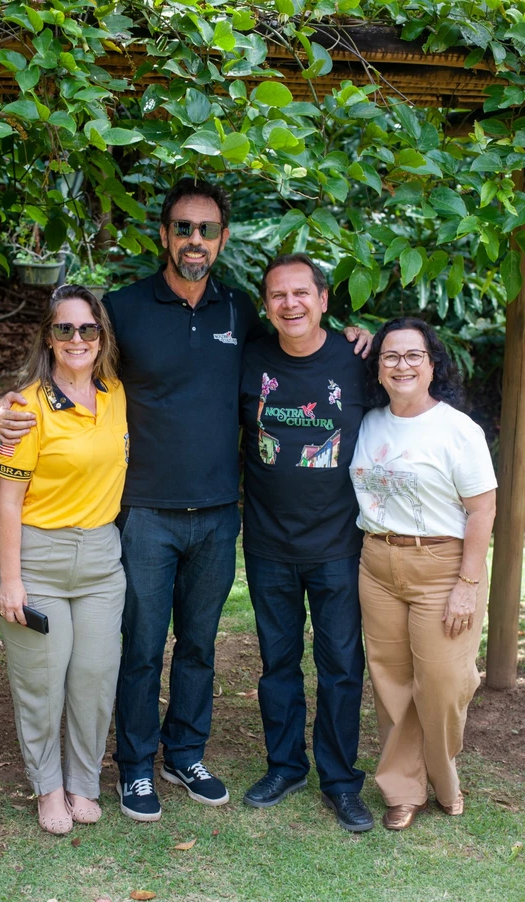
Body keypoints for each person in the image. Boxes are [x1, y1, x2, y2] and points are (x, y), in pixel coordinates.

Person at [0, 179, 371, 823]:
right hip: (143, 513)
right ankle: (135, 767)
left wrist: (354, 332)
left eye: (206, 230)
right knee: (141, 644)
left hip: (221, 513)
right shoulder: (124, 308)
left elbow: (298, 339)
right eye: (183, 228)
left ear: (221, 239)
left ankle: (184, 752)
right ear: (165, 235)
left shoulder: (240, 312)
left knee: (198, 643)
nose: (194, 240)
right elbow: (73, 361)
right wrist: (9, 405)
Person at [0, 285, 127, 835]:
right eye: (64, 328)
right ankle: (47, 788)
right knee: (42, 683)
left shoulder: (116, 394)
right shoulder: (24, 407)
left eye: (87, 328)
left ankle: (83, 783)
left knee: (93, 676)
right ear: (49, 336)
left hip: (99, 559)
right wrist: (12, 582)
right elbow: (8, 500)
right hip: (36, 556)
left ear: (101, 337)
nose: (77, 338)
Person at [239, 253, 374, 832]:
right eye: (278, 295)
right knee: (279, 662)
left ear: (323, 299)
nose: (290, 304)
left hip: (339, 544)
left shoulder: (358, 359)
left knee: (342, 665)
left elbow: (416, 389)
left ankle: (341, 781)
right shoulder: (248, 359)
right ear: (266, 305)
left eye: (301, 293)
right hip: (268, 542)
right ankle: (285, 765)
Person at [349, 317, 496, 831]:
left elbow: (482, 511)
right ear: (379, 367)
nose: (402, 365)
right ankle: (402, 789)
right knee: (391, 682)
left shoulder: (458, 430)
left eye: (414, 355)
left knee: (443, 681)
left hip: (441, 567)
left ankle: (444, 775)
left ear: (433, 364)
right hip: (378, 563)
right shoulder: (368, 423)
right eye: (390, 356)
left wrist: (467, 584)